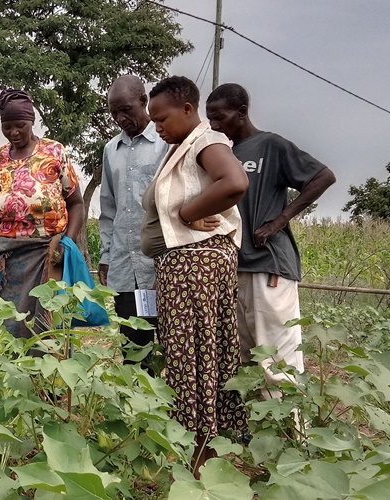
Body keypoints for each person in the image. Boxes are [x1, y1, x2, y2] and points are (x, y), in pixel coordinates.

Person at [140, 76, 249, 476]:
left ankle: (199, 455)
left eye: (161, 118)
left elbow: (235, 182)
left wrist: (186, 213)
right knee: (197, 354)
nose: (157, 126)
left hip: (195, 265)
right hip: (186, 266)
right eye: (153, 120)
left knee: (194, 356)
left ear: (188, 109)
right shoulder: (183, 147)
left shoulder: (206, 142)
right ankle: (203, 448)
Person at [205, 83, 336, 399]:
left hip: (269, 265)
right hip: (235, 267)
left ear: (242, 112)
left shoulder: (271, 145)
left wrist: (278, 221)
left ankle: (293, 438)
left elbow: (323, 177)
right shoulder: (225, 155)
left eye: (219, 117)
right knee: (244, 359)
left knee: (277, 360)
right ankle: (260, 438)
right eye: (209, 118)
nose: (214, 125)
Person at [0, 88, 85, 346]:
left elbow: (76, 203)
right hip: (5, 259)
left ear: (32, 121)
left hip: (47, 255)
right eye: (7, 126)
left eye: (20, 125)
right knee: (6, 331)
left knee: (48, 333)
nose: (13, 132)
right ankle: (12, 385)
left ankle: (48, 386)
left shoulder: (54, 153)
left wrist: (67, 242)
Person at [98, 75, 167, 362]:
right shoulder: (111, 150)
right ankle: (136, 402)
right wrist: (105, 255)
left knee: (169, 343)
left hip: (159, 267)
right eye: (114, 112)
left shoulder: (165, 144)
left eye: (126, 109)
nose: (120, 117)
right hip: (126, 269)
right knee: (134, 348)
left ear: (143, 101)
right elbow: (108, 208)